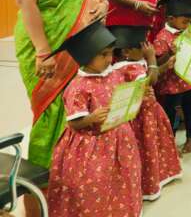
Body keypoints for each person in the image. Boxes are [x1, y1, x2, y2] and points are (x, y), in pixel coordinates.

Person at [14, 0, 108, 168]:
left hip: (83, 41)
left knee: (81, 102)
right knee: (51, 106)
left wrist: (103, 3)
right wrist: (43, 51)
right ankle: (47, 172)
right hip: (45, 43)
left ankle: (79, 169)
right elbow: (26, 2)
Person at [46, 21, 142, 217]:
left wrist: (139, 95)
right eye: (103, 55)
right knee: (95, 185)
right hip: (92, 147)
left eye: (111, 53)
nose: (110, 59)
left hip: (120, 139)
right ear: (85, 57)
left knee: (122, 179)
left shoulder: (114, 74)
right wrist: (91, 118)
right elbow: (74, 123)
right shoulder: (78, 87)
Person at [110, 26, 182, 201]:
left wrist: (162, 66)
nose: (146, 50)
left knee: (145, 146)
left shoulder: (125, 65)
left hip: (141, 113)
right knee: (147, 146)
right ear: (126, 51)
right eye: (141, 47)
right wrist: (151, 59)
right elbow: (151, 80)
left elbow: (149, 75)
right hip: (143, 115)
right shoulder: (130, 68)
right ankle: (149, 182)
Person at [154, 0, 191, 154]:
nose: (188, 25)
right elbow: (157, 63)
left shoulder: (188, 31)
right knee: (171, 116)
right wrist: (169, 53)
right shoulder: (162, 37)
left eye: (189, 22)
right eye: (185, 21)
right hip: (171, 86)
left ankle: (190, 138)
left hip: (189, 82)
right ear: (171, 18)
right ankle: (170, 144)